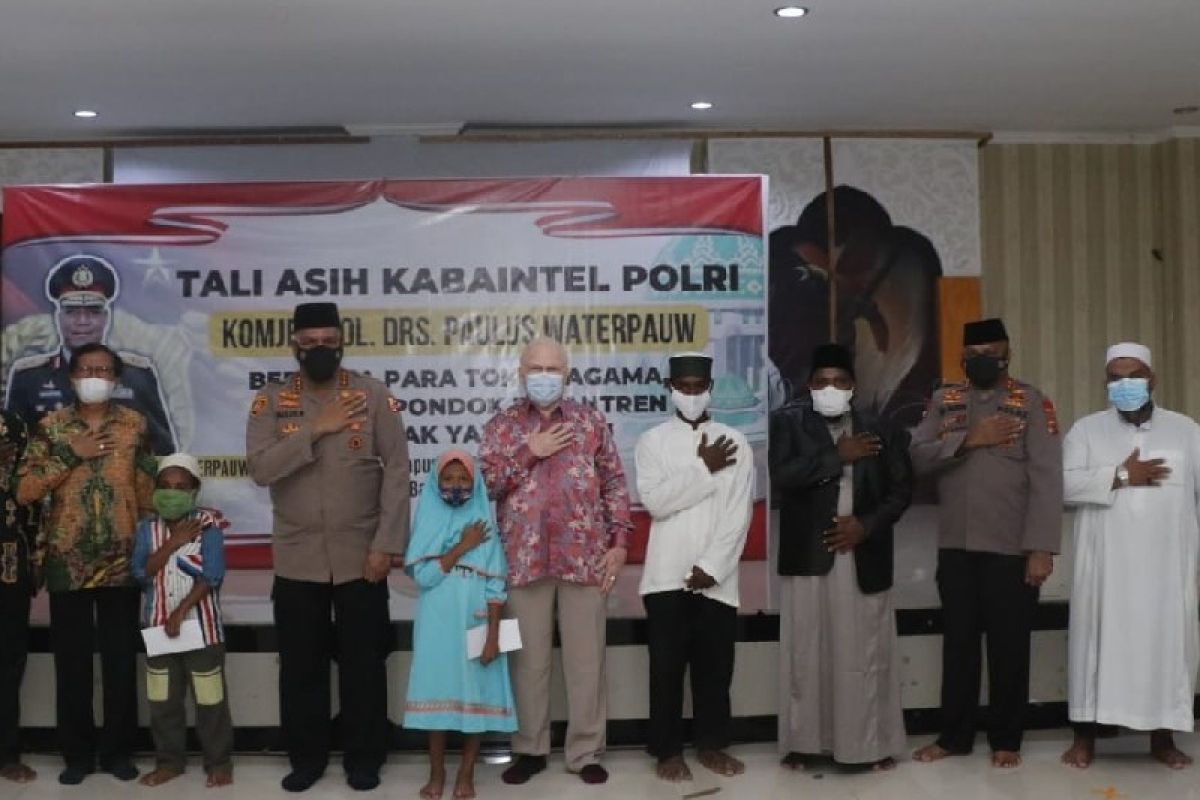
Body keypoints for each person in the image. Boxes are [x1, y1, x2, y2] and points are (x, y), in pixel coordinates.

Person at [245, 301, 410, 793]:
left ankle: (365, 759)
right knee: (301, 667)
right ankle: (307, 760)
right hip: (297, 559)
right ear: (294, 344)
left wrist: (387, 545)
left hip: (363, 557)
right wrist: (316, 429)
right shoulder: (270, 400)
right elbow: (260, 468)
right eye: (309, 341)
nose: (320, 349)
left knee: (364, 664)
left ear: (342, 342)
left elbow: (398, 473)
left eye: (328, 341)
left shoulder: (375, 395)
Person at [909, 318, 1062, 768]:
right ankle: (953, 737)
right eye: (974, 353)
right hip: (955, 547)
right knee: (957, 646)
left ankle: (1006, 739)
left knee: (1009, 647)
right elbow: (916, 457)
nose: (982, 360)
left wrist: (1041, 548)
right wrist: (966, 439)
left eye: (992, 353)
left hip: (1011, 549)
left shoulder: (1031, 402)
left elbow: (1047, 479)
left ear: (1007, 355)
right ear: (962, 356)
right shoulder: (945, 400)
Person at [480, 336, 633, 786]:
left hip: (585, 559)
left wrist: (619, 543)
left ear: (567, 375)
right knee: (528, 662)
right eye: (534, 369)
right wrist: (532, 450)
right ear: (520, 374)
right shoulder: (503, 426)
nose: (543, 377)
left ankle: (586, 751)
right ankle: (529, 748)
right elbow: (486, 484)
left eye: (552, 369)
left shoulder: (589, 422)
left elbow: (615, 485)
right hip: (523, 561)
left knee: (587, 661)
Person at [15, 342, 156, 785]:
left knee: (119, 661)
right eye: (87, 368)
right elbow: (26, 490)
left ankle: (118, 752)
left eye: (105, 369)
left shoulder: (134, 424)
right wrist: (71, 452)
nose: (96, 375)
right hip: (66, 560)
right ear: (71, 376)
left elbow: (147, 492)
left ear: (116, 379)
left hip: (121, 558)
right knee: (71, 664)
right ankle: (76, 754)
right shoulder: (51, 427)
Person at [769, 343, 913, 771]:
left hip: (861, 553)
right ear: (810, 386)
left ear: (853, 386)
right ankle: (803, 743)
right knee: (806, 653)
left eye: (839, 382)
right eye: (822, 382)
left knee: (863, 657)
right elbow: (783, 476)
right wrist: (837, 456)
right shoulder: (788, 423)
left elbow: (901, 490)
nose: (830, 389)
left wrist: (864, 525)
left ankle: (868, 745)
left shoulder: (880, 427)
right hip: (809, 556)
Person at [1060, 342, 1200, 770]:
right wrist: (1121, 475)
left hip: (1167, 570)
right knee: (1093, 647)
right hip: (1105, 570)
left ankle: (1163, 738)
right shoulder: (1086, 431)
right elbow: (1062, 488)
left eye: (1133, 375)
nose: (1125, 384)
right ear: (1106, 383)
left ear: (1152, 380)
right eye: (1116, 377)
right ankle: (1085, 738)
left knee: (1167, 647)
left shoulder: (1186, 431)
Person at [635, 353, 754, 783]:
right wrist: (704, 469)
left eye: (697, 387)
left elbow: (739, 513)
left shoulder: (736, 442)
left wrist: (712, 566)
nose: (690, 395)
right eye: (682, 387)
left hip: (717, 580)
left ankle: (711, 745)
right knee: (666, 669)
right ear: (669, 387)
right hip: (666, 574)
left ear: (711, 389)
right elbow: (657, 503)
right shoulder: (651, 441)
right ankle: (666, 750)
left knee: (715, 669)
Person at [403, 449, 517, 800]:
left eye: (463, 478)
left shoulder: (484, 521)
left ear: (475, 481)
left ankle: (466, 774)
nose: (456, 485)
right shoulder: (429, 520)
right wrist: (462, 547)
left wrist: (493, 636)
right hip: (437, 624)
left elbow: (496, 583)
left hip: (477, 621)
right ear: (437, 484)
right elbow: (423, 576)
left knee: (475, 700)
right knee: (437, 698)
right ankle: (436, 772)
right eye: (448, 479)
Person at [5, 254, 177, 454]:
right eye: (72, 312)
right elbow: (12, 454)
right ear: (58, 317)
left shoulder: (136, 374)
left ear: (106, 317)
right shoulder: (29, 377)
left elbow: (164, 453)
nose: (82, 321)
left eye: (93, 312)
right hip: (53, 483)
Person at [131, 453, 234, 788]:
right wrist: (174, 542)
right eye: (165, 486)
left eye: (180, 487)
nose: (172, 493)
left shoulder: (209, 526)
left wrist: (181, 612)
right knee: (162, 702)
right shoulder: (146, 529)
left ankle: (219, 763)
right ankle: (169, 763)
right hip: (158, 630)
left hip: (202, 630)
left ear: (194, 491)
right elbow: (140, 572)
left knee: (210, 700)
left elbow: (213, 575)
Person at [0, 410, 37, 784]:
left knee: (8, 664)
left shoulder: (14, 425)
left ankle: (7, 753)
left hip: (10, 568)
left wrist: (36, 559)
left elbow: (34, 502)